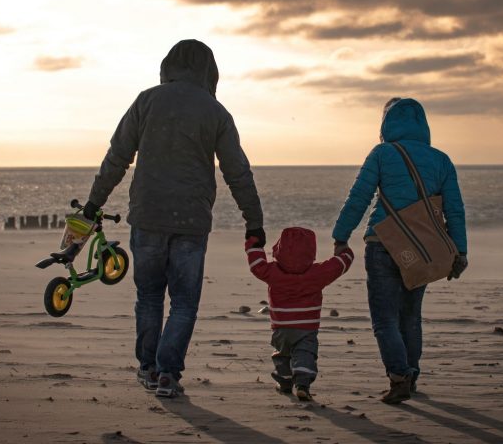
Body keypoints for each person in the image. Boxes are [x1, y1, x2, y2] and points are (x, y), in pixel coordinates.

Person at [84, 39, 264, 398]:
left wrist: (93, 203)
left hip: (148, 216)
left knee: (149, 297)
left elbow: (117, 157)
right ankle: (167, 373)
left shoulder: (146, 101)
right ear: (209, 72)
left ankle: (148, 368)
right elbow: (237, 172)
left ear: (168, 66)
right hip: (191, 222)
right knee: (183, 303)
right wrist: (254, 222)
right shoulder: (216, 112)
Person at [332, 97, 467, 404]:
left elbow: (359, 197)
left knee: (384, 319)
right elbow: (455, 211)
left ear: (386, 123)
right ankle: (412, 375)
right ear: (423, 125)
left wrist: (341, 236)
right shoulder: (442, 160)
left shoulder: (382, 153)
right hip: (422, 249)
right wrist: (460, 251)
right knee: (410, 316)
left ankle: (398, 378)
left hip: (382, 244)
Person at [245, 227, 354, 401]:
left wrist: (254, 245)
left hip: (281, 326)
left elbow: (256, 266)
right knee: (305, 353)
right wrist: (345, 251)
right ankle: (302, 384)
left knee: (282, 354)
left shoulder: (273, 272)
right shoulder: (317, 274)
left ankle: (285, 382)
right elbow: (339, 265)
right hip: (307, 326)